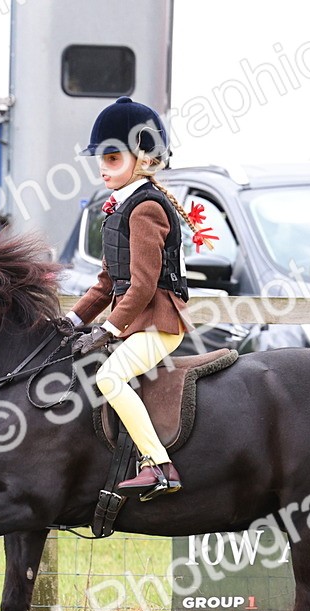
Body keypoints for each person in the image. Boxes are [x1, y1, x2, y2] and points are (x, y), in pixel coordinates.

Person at [66, 96, 215, 501]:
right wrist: (74, 322)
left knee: (108, 378)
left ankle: (160, 465)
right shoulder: (121, 208)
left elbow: (144, 286)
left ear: (144, 159)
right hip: (139, 322)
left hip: (159, 323)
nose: (102, 167)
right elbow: (105, 283)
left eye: (112, 158)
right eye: (101, 158)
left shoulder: (145, 208)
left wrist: (109, 329)